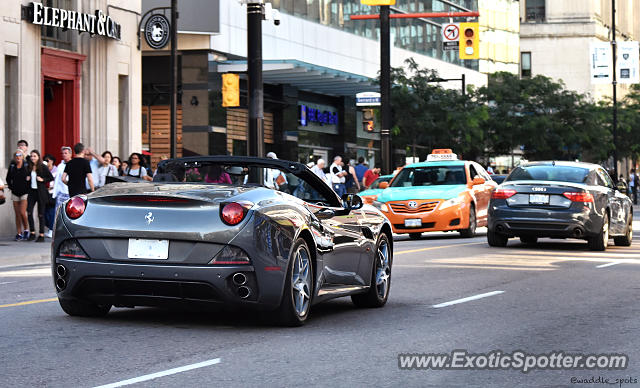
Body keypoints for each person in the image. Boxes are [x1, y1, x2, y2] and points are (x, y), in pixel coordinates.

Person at [25, 150, 54, 242]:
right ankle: (32, 232)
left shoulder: (43, 167)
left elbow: (51, 178)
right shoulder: (28, 167)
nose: (33, 158)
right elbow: (27, 179)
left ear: (38, 157)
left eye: (35, 156)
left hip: (40, 192)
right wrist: (27, 179)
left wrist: (42, 179)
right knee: (29, 212)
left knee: (40, 214)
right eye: (31, 156)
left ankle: (41, 234)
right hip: (32, 192)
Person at [6, 150, 29, 240]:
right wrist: (11, 187)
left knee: (22, 212)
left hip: (24, 192)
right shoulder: (12, 166)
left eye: (19, 155)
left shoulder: (26, 166)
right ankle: (19, 233)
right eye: (16, 155)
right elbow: (8, 178)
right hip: (15, 192)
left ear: (22, 156)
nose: (18, 157)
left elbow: (30, 177)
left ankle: (26, 229)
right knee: (17, 214)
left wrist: (27, 187)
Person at [42, 154, 58, 238]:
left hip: (52, 193)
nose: (46, 162)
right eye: (45, 160)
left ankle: (51, 229)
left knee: (51, 212)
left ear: (51, 161)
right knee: (44, 212)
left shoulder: (56, 170)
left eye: (47, 160)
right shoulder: (43, 169)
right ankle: (48, 226)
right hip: (44, 192)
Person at [53, 146, 72, 213]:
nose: (64, 155)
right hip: (60, 193)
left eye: (66, 153)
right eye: (62, 153)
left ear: (70, 154)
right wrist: (55, 193)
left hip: (70, 193)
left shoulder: (73, 164)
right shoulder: (60, 166)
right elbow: (57, 180)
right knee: (59, 213)